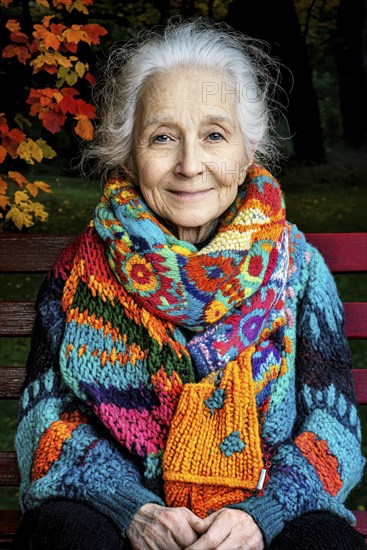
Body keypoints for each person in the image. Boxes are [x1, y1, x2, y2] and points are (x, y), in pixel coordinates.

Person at [13, 18, 365, 550]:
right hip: (119, 522)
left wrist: (260, 517)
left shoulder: (298, 269)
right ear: (128, 153)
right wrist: (133, 508)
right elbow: (46, 420)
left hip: (265, 517)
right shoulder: (78, 273)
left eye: (214, 135)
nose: (189, 165)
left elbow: (335, 430)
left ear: (249, 153)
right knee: (62, 533)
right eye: (162, 137)